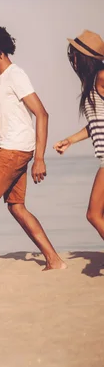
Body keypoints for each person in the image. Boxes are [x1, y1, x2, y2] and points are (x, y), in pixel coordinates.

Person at [0, 22, 66, 278]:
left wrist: (40, 158)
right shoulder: (6, 78)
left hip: (13, 152)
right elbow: (17, 114)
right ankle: (54, 260)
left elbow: (42, 114)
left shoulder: (15, 75)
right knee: (16, 206)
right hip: (17, 149)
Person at [53, 30, 104, 237]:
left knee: (93, 215)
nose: (71, 59)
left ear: (84, 58)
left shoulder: (101, 77)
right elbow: (96, 124)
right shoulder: (93, 82)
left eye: (73, 55)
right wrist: (70, 140)